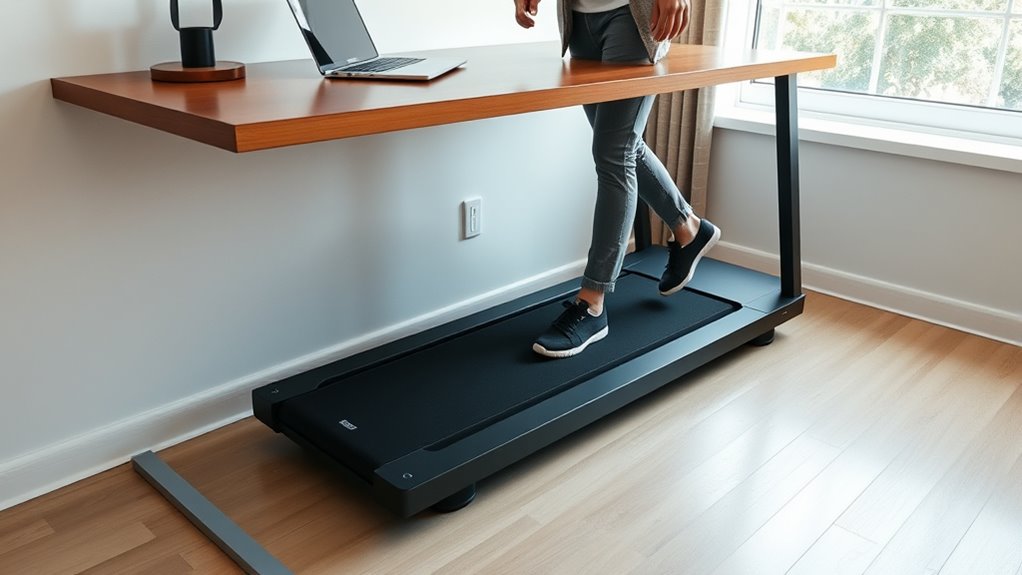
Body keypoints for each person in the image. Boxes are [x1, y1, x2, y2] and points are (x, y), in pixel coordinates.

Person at [515, 0, 722, 358]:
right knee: (621, 146)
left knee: (614, 153)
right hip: (580, 21)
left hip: (631, 14)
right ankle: (687, 226)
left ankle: (593, 300)